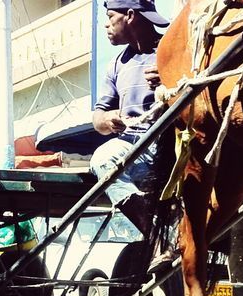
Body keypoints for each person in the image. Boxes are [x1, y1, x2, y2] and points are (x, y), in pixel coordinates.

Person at [90, 0, 174, 268]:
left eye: (109, 15)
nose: (105, 23)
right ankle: (157, 240)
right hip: (132, 148)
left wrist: (169, 80)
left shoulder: (169, 50)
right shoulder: (116, 64)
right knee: (102, 158)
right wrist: (109, 119)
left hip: (172, 147)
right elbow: (98, 119)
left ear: (129, 16)